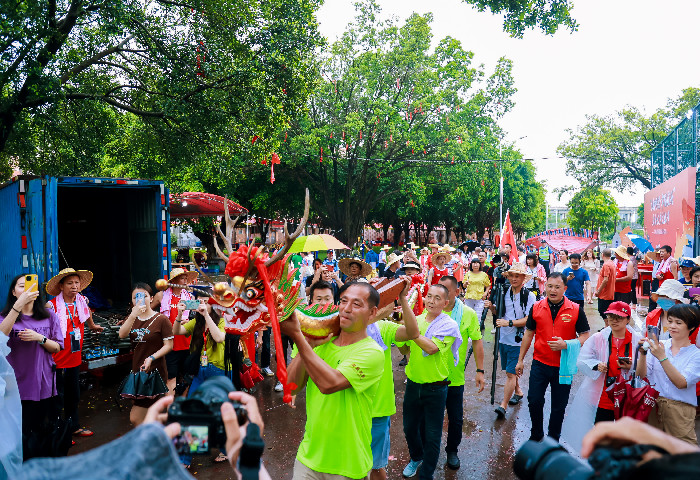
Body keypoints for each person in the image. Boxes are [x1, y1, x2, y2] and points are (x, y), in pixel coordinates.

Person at [282, 282, 385, 480]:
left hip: (347, 465)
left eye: (356, 304)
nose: (346, 309)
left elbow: (329, 384)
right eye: (343, 301)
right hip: (308, 458)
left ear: (372, 313)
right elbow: (290, 387)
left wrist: (297, 336)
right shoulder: (318, 343)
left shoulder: (371, 352)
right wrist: (309, 344)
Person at [515, 272, 591, 441]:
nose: (553, 290)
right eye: (550, 286)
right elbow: (528, 334)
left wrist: (567, 344)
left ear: (565, 288)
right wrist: (520, 360)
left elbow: (585, 335)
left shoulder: (576, 309)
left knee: (559, 406)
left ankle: (553, 440)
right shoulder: (536, 307)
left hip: (563, 366)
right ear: (545, 287)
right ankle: (536, 436)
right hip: (540, 363)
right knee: (534, 400)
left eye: (557, 287)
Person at [561, 301, 642, 453]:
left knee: (622, 437)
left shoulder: (638, 340)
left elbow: (647, 368)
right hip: (603, 397)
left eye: (619, 317)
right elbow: (583, 359)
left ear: (628, 319)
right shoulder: (599, 337)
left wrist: (631, 366)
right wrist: (596, 365)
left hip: (626, 397)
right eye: (611, 316)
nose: (614, 320)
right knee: (601, 435)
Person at [399, 284, 462, 479]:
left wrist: (412, 333)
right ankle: (416, 457)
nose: (432, 301)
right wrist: (403, 335)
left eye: (437, 298)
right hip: (413, 384)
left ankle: (426, 474)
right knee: (409, 428)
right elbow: (404, 349)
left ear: (445, 303)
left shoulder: (449, 324)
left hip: (436, 388)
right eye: (429, 296)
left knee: (433, 434)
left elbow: (432, 348)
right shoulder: (415, 320)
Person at [1, 274, 62, 459]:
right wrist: (17, 306)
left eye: (29, 285)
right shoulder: (6, 317)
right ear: (13, 291)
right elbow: (1, 337)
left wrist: (40, 338)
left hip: (42, 383)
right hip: (14, 385)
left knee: (39, 430)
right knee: (17, 432)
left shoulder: (49, 316)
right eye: (21, 286)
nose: (26, 289)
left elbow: (57, 347)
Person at [367, 277, 419, 480]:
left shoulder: (383, 328)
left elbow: (413, 332)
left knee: (377, 467)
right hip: (352, 410)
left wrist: (403, 299)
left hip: (379, 409)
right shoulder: (345, 330)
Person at [45, 268, 104, 439]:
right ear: (61, 286)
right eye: (70, 283)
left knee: (74, 395)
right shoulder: (51, 305)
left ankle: (73, 426)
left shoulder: (82, 301)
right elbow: (42, 328)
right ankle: (57, 432)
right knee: (57, 397)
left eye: (77, 282)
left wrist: (92, 326)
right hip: (56, 359)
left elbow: (87, 316)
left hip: (74, 357)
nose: (74, 286)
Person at [172, 299, 229, 464]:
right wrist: (180, 314)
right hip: (199, 372)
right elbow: (177, 331)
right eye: (198, 301)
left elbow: (219, 338)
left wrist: (207, 316)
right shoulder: (195, 322)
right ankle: (185, 458)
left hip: (217, 372)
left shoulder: (222, 320)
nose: (201, 304)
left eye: (205, 302)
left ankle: (226, 449)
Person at [636, 304, 700, 445]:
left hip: (680, 410)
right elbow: (641, 376)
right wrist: (643, 355)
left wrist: (662, 357)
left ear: (691, 327)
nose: (672, 326)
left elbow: (681, 383)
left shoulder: (696, 355)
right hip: (653, 404)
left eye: (678, 323)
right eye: (669, 321)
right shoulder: (660, 345)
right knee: (653, 450)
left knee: (683, 453)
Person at [438, 276, 485, 470]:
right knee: (429, 417)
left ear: (457, 292)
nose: (441, 296)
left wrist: (480, 370)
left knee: (456, 418)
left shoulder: (468, 314)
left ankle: (452, 451)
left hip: (454, 377)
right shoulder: (432, 310)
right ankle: (424, 452)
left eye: (446, 291)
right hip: (431, 375)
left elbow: (476, 341)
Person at [485, 263, 536, 419]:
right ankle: (518, 392)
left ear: (523, 278)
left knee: (510, 373)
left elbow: (530, 320)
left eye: (517, 276)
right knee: (510, 371)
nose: (513, 279)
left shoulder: (529, 296)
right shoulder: (505, 292)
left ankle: (503, 405)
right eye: (511, 276)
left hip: (518, 340)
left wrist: (510, 323)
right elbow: (500, 313)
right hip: (503, 337)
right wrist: (492, 308)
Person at [119, 283, 174, 426]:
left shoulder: (161, 319)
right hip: (137, 373)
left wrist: (152, 358)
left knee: (136, 417)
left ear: (151, 298)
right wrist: (132, 315)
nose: (139, 300)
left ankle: (154, 440)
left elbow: (169, 346)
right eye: (135, 297)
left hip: (154, 373)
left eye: (143, 296)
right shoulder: (132, 318)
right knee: (147, 416)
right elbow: (122, 334)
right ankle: (154, 441)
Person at [150, 268, 197, 394]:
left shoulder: (189, 297)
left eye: (186, 278)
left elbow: (200, 314)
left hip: (186, 343)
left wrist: (190, 320)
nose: (185, 281)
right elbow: (147, 311)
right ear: (174, 281)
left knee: (186, 378)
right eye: (182, 278)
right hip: (170, 344)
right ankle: (169, 408)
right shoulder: (162, 296)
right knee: (171, 378)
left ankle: (182, 407)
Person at [462, 258, 491, 324]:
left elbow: (488, 285)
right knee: (468, 316)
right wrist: (466, 283)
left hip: (479, 298)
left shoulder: (484, 274)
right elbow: (464, 286)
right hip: (469, 298)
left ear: (479, 265)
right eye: (474, 263)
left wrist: (485, 293)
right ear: (471, 265)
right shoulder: (468, 273)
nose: (475, 265)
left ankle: (477, 332)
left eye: (477, 263)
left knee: (477, 317)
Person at [594, 249, 617, 324]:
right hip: (610, 291)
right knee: (606, 310)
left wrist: (598, 291)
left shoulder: (606, 265)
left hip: (605, 293)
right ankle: (607, 326)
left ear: (602, 255)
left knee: (602, 310)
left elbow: (605, 280)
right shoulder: (612, 263)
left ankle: (608, 326)